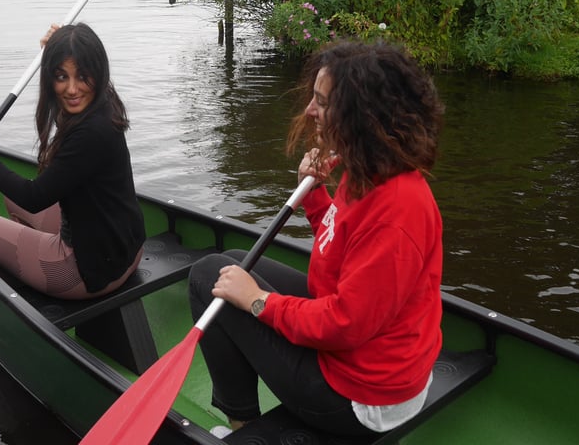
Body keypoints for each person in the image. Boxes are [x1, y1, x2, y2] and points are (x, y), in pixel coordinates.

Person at [188, 39, 445, 438]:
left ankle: (242, 426)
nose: (310, 111)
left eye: (322, 103)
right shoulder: (370, 168)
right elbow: (342, 243)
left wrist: (258, 301)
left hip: (362, 398)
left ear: (361, 115)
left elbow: (344, 324)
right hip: (365, 353)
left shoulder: (397, 210)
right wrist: (314, 196)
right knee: (234, 263)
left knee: (209, 278)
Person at [0, 22, 145, 299]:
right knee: (12, 199)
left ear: (98, 72)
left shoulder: (89, 135)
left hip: (82, 274)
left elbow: (34, 197)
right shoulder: (105, 101)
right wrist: (58, 49)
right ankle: (29, 258)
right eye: (61, 76)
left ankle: (26, 281)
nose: (71, 89)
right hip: (128, 252)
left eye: (82, 76)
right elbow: (78, 94)